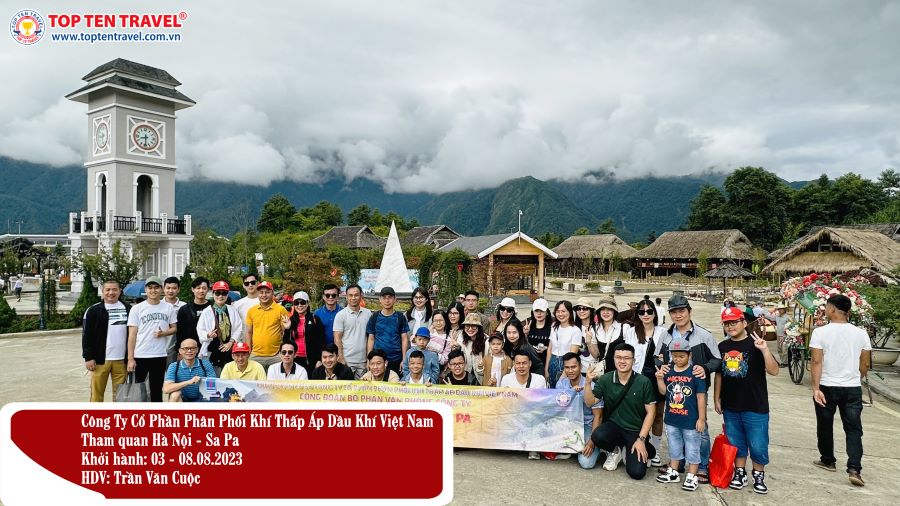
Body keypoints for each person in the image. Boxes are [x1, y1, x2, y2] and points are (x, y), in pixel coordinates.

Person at [657, 294, 722, 484]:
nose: (678, 315)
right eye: (674, 312)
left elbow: (717, 360)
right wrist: (661, 367)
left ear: (689, 311)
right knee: (676, 430)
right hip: (673, 390)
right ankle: (677, 464)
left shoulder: (703, 335)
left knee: (700, 429)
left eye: (681, 311)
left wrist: (705, 368)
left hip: (696, 391)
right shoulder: (666, 335)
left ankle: (701, 467)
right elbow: (657, 357)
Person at [714, 306, 779, 494]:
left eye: (734, 322)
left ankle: (758, 474)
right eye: (726, 323)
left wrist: (765, 350)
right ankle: (740, 472)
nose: (730, 326)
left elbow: (774, 371)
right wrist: (717, 397)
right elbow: (719, 374)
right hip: (731, 404)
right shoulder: (722, 347)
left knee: (758, 443)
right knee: (736, 442)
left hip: (755, 404)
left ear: (744, 323)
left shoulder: (756, 343)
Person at [810, 294, 871, 487]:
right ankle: (854, 469)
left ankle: (828, 460)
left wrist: (815, 388)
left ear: (832, 309)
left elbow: (816, 361)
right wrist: (855, 379)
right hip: (852, 388)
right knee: (854, 429)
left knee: (825, 424)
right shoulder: (861, 333)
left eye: (827, 307)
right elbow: (865, 364)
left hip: (827, 386)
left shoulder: (820, 332)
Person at [585, 343, 658, 480]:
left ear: (633, 361)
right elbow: (590, 402)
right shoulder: (605, 379)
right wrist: (588, 383)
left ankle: (647, 449)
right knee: (597, 435)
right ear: (613, 359)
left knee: (637, 473)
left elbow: (651, 413)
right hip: (614, 426)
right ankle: (615, 451)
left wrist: (641, 439)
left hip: (635, 430)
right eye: (618, 357)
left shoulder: (643, 382)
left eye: (626, 358)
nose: (622, 361)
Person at [616, 298, 666, 466]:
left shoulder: (663, 332)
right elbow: (626, 355)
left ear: (655, 314)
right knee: (638, 414)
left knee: (657, 415)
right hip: (637, 378)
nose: (646, 315)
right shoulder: (631, 332)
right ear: (637, 314)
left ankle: (655, 450)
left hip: (657, 377)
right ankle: (638, 444)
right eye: (642, 312)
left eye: (649, 311)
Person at [655, 338, 707, 491]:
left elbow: (701, 397)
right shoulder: (668, 371)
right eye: (674, 356)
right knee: (674, 445)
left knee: (692, 447)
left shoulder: (695, 373)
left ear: (689, 355)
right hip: (672, 418)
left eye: (681, 356)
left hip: (690, 420)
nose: (678, 359)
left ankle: (692, 475)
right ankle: (673, 471)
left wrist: (701, 418)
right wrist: (659, 379)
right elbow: (664, 392)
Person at [126, 276, 178, 402]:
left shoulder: (168, 307)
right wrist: (130, 359)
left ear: (161, 289)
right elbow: (132, 335)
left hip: (159, 355)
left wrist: (163, 333)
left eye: (156, 287)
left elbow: (174, 328)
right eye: (150, 288)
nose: (153, 290)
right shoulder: (137, 308)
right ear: (146, 290)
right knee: (139, 391)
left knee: (156, 390)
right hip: (140, 355)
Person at [82, 280, 130, 402]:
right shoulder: (93, 311)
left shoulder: (128, 309)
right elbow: (87, 336)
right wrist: (88, 357)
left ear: (120, 291)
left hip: (121, 360)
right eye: (107, 290)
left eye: (114, 289)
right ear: (102, 291)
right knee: (96, 395)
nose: (111, 293)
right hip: (100, 360)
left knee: (120, 396)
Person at [556, 352, 603, 469]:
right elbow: (557, 410)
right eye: (567, 367)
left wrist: (592, 441)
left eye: (573, 367)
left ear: (580, 366)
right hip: (567, 424)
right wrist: (570, 393)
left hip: (586, 425)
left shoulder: (592, 386)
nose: (570, 370)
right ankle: (573, 447)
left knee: (586, 463)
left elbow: (598, 416)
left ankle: (599, 448)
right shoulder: (561, 384)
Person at [196, 281, 244, 375]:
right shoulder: (207, 311)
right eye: (218, 293)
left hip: (229, 351)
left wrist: (231, 342)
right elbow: (200, 329)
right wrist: (208, 335)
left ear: (227, 295)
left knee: (229, 376)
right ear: (213, 294)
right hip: (212, 350)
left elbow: (238, 328)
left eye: (224, 293)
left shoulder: (232, 310)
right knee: (213, 377)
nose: (221, 296)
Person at [245, 281, 291, 369]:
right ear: (258, 294)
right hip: (255, 355)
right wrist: (249, 351)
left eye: (267, 292)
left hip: (276, 356)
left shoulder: (281, 310)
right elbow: (248, 332)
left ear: (272, 293)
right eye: (261, 292)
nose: (264, 295)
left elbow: (285, 332)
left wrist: (287, 328)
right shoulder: (251, 311)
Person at [366, 286, 410, 375]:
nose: (387, 300)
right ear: (380, 299)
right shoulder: (374, 317)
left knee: (395, 382)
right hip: (378, 360)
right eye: (384, 298)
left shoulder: (400, 317)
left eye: (390, 297)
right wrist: (369, 360)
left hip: (396, 359)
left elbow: (404, 339)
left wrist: (404, 359)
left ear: (395, 299)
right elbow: (371, 339)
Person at [333, 284, 372, 379]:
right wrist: (341, 358)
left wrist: (369, 359)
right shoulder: (340, 315)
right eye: (350, 295)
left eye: (356, 295)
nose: (353, 298)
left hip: (363, 361)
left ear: (361, 296)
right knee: (345, 387)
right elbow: (337, 338)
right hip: (347, 361)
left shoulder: (368, 313)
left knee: (363, 387)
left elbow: (370, 338)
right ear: (346, 297)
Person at [284, 290, 325, 378]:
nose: (299, 305)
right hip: (294, 358)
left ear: (307, 303)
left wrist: (319, 359)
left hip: (310, 360)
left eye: (302, 302)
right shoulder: (290, 320)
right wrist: (287, 329)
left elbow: (321, 340)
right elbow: (286, 342)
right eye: (296, 303)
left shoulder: (315, 319)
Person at [163, 337, 216, 402]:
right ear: (180, 351)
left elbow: (212, 386)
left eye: (192, 348)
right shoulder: (174, 366)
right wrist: (189, 382)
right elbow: (166, 389)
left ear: (197, 350)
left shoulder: (205, 364)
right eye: (185, 348)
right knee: (175, 394)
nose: (189, 351)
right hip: (182, 399)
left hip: (202, 398)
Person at [173, 277, 210, 365]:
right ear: (193, 289)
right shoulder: (184, 309)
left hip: (208, 349)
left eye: (204, 288)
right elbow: (180, 332)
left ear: (208, 290)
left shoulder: (212, 308)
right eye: (198, 288)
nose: (201, 291)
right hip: (189, 350)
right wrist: (180, 351)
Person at [545, 300, 582, 386]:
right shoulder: (554, 327)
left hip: (566, 364)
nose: (560, 314)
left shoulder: (575, 330)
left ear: (570, 312)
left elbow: (573, 354)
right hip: (553, 361)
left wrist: (565, 373)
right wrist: (546, 369)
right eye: (558, 311)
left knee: (564, 389)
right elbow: (550, 349)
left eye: (563, 311)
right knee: (552, 390)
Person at [590, 296, 622, 376]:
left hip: (620, 372)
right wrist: (588, 342)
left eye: (609, 309)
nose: (606, 312)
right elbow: (596, 355)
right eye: (603, 309)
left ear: (614, 311)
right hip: (602, 373)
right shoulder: (594, 329)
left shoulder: (623, 328)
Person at [457, 313, 487, 384]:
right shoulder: (461, 338)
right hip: (466, 375)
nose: (470, 329)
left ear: (479, 327)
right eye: (467, 326)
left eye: (474, 326)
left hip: (481, 376)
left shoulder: (486, 341)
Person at [522, 298, 552, 367]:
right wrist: (526, 334)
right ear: (533, 312)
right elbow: (524, 346)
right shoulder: (527, 326)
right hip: (530, 363)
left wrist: (546, 348)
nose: (539, 313)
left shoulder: (552, 327)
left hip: (546, 362)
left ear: (547, 312)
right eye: (536, 311)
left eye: (542, 311)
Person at [574, 296, 598, 375]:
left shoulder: (596, 328)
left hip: (593, 371)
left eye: (585, 308)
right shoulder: (574, 328)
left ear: (591, 311)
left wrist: (589, 342)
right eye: (579, 308)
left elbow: (596, 355)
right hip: (577, 371)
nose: (581, 311)